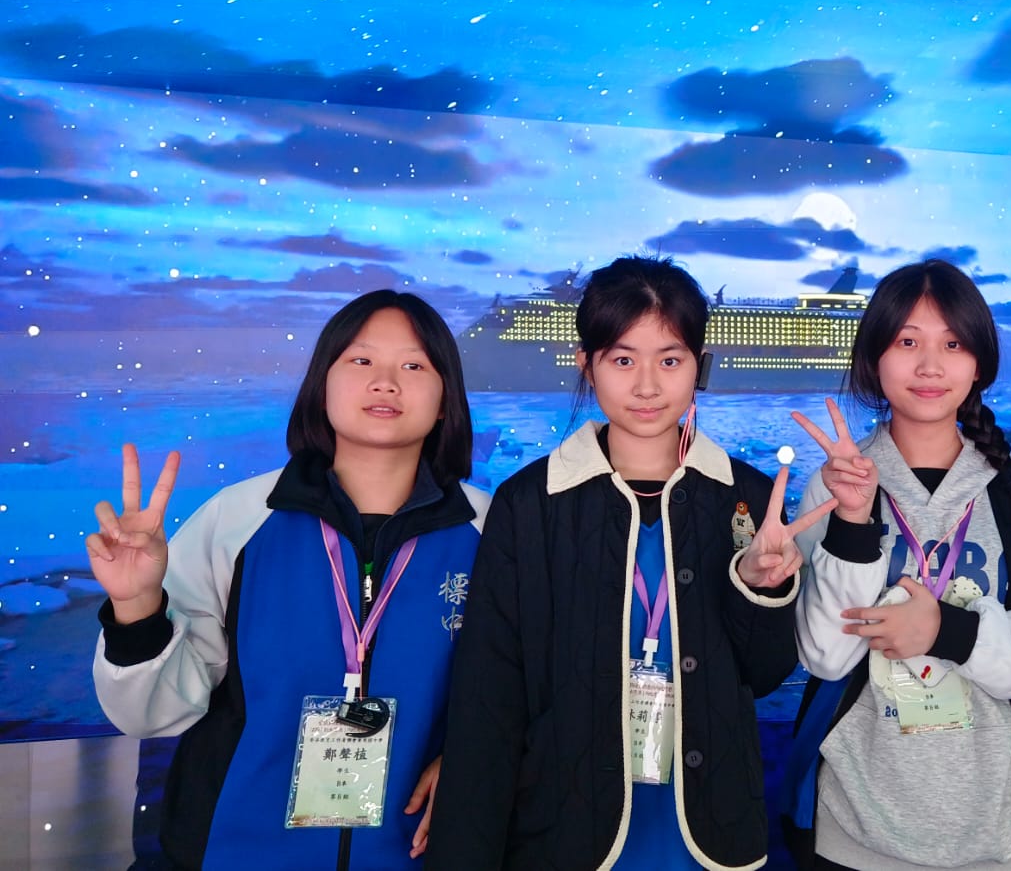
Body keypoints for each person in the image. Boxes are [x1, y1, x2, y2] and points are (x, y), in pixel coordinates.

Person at [427, 256, 834, 870]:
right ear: (586, 365)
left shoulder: (749, 500)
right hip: (563, 835)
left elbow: (768, 673)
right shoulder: (530, 503)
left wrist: (760, 589)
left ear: (700, 367)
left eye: (670, 361)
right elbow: (490, 693)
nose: (647, 386)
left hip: (711, 838)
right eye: (622, 360)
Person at [88, 290, 488, 870]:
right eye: (361, 360)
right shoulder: (238, 519)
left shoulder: (492, 531)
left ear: (446, 399)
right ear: (321, 384)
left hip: (416, 852)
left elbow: (529, 690)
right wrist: (137, 606)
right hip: (235, 851)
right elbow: (152, 714)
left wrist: (477, 759)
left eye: (414, 365)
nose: (385, 383)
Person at [781, 259, 1011, 871]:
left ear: (979, 364)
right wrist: (852, 520)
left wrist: (951, 633)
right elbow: (824, 656)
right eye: (908, 342)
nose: (930, 366)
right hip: (853, 828)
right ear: (874, 358)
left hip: (997, 830)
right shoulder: (834, 486)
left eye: (953, 344)